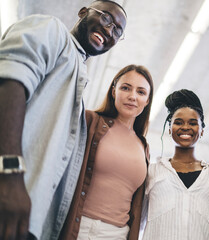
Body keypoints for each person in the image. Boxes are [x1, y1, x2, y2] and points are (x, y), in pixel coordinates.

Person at [0, 1, 127, 239]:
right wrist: (10, 175)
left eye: (118, 32)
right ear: (83, 13)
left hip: (28, 219)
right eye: (107, 19)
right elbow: (10, 83)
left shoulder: (77, 78)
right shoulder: (52, 30)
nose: (110, 31)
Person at [60, 64, 154, 240]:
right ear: (114, 91)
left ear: (147, 101)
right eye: (126, 88)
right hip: (79, 228)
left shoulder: (144, 147)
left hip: (118, 234)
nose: (132, 96)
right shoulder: (90, 122)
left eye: (141, 92)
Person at [141, 89, 209, 240]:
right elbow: (138, 219)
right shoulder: (152, 172)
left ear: (201, 131)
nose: (186, 127)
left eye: (193, 123)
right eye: (178, 122)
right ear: (170, 129)